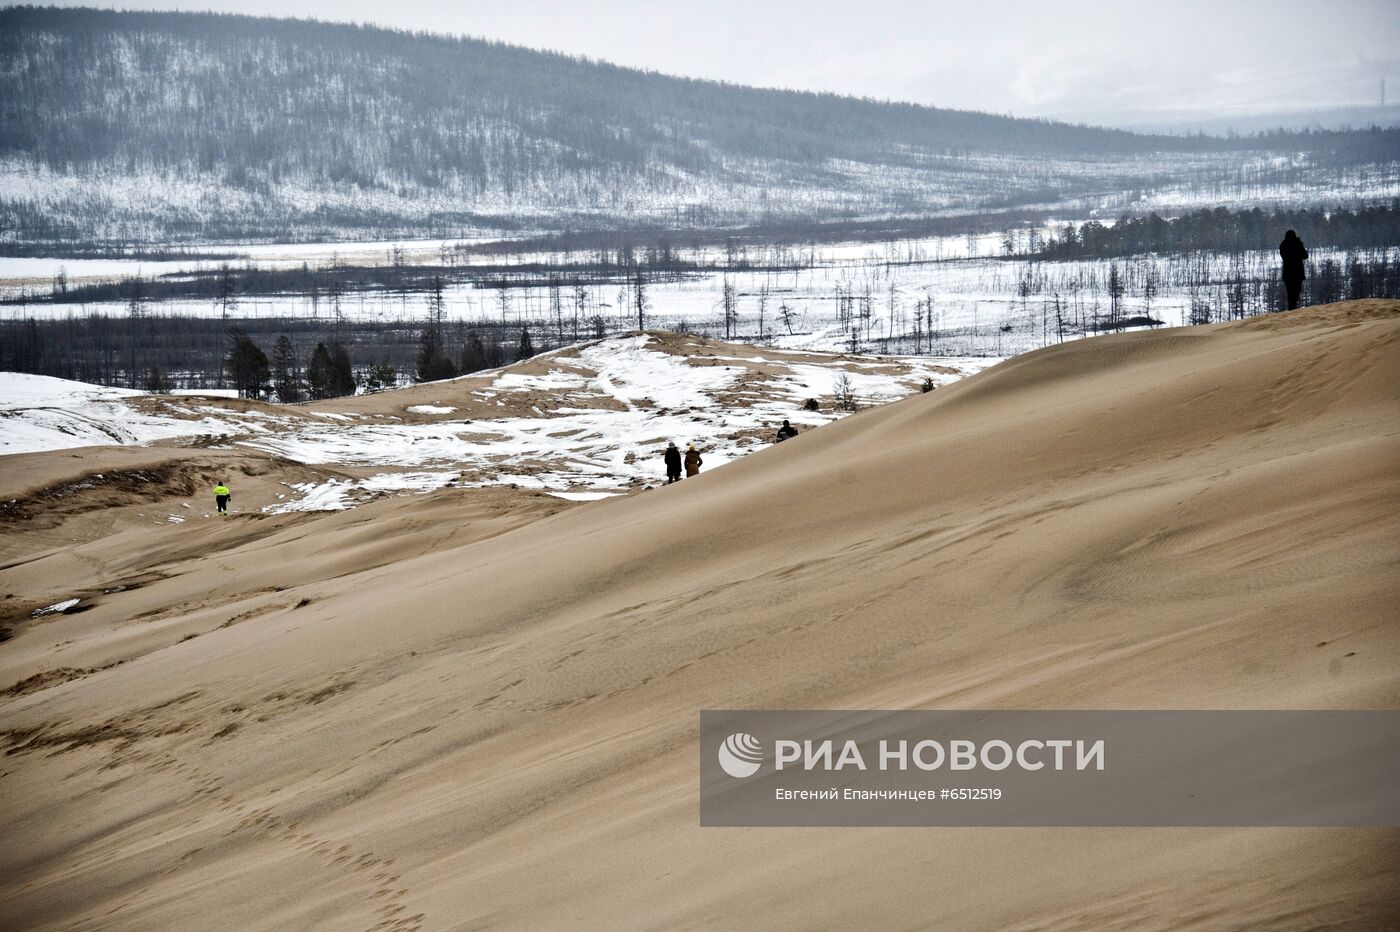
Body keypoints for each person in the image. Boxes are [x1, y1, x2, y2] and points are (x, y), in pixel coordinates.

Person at [1279, 230, 1308, 311]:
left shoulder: (1283, 245)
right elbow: (1305, 256)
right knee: (1296, 292)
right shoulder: (1298, 243)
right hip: (1298, 273)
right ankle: (1293, 308)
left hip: (1288, 273)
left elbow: (1284, 257)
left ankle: (1291, 308)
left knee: (1290, 292)